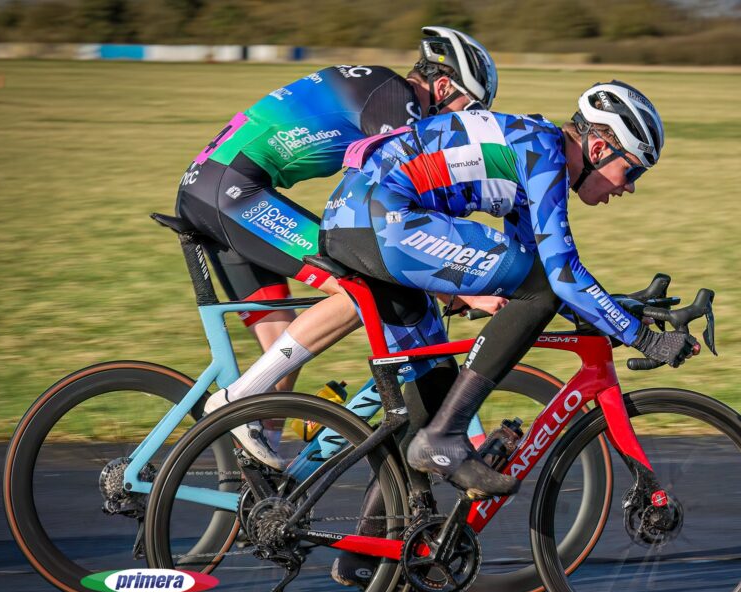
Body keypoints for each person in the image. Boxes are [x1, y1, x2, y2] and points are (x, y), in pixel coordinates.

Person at [319, 81, 698, 502]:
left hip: (357, 221)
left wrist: (618, 312)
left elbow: (543, 269)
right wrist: (643, 339)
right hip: (380, 220)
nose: (629, 187)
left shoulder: (533, 150)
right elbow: (555, 279)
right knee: (533, 294)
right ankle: (446, 435)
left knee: (432, 398)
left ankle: (369, 552)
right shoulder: (543, 152)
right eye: (632, 171)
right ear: (597, 150)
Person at [170, 27, 503, 461]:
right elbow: (402, 195)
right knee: (360, 289)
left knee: (281, 360)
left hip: (218, 189)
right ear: (442, 87)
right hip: (233, 194)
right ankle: (233, 401)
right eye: (467, 107)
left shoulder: (379, 88)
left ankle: (263, 490)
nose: (460, 121)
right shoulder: (396, 96)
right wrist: (458, 283)